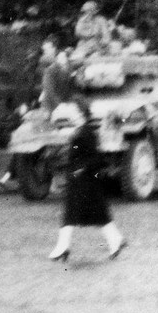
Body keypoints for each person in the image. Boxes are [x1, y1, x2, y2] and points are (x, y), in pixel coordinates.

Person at [49, 97, 127, 262]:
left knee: (76, 215)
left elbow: (95, 158)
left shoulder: (85, 132)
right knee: (95, 215)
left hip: (84, 182)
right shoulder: (82, 130)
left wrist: (79, 169)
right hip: (82, 181)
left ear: (79, 112)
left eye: (73, 110)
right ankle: (115, 239)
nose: (70, 113)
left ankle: (63, 247)